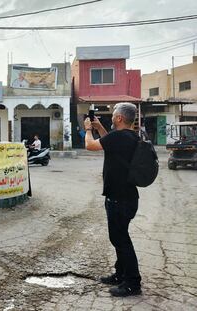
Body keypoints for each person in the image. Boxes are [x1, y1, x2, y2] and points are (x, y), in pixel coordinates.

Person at [84, 102, 142, 297]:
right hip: (126, 196)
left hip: (119, 198)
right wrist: (99, 127)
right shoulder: (130, 137)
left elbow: (90, 146)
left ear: (119, 118)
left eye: (113, 115)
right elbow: (110, 144)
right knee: (120, 237)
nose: (111, 118)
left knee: (120, 239)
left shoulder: (119, 137)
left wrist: (88, 130)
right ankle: (120, 274)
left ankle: (132, 283)